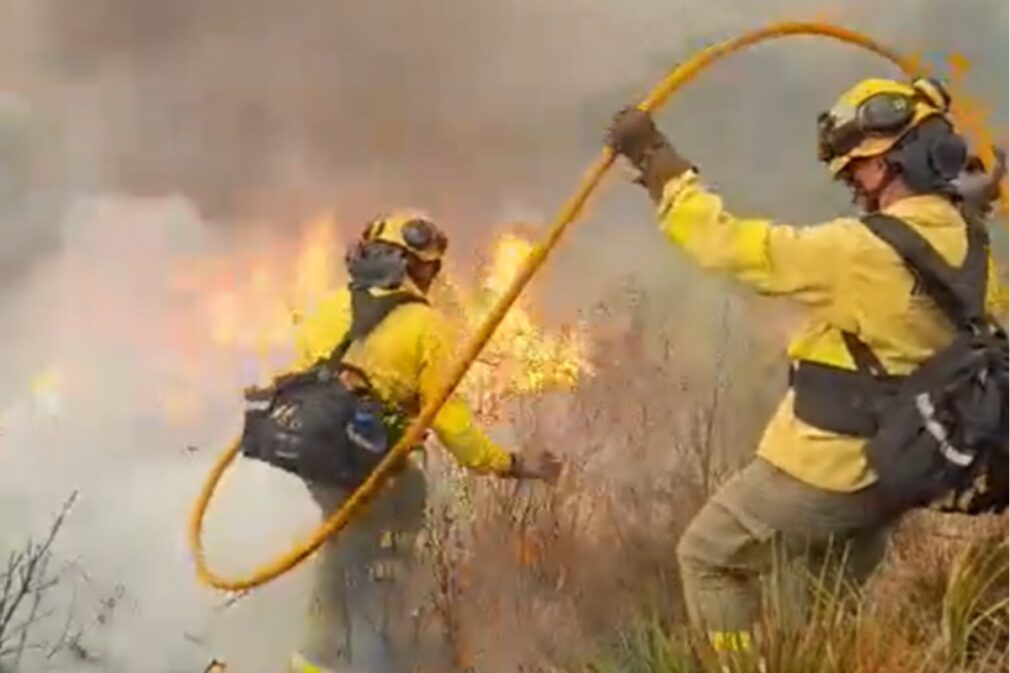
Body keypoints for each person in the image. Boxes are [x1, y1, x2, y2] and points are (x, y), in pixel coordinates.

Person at [605, 77, 1006, 655]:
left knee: (710, 556)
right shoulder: (969, 239)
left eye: (864, 169)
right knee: (815, 606)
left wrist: (658, 166)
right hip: (898, 469)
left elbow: (730, 245)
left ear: (906, 156)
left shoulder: (862, 251)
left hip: (831, 466)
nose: (857, 185)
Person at [284, 210, 561, 673]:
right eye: (430, 266)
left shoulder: (328, 309)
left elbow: (300, 384)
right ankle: (372, 663)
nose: (434, 276)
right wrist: (512, 463)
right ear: (412, 265)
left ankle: (314, 660)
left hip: (318, 464)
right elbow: (454, 430)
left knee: (343, 556)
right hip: (376, 475)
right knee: (377, 580)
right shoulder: (427, 328)